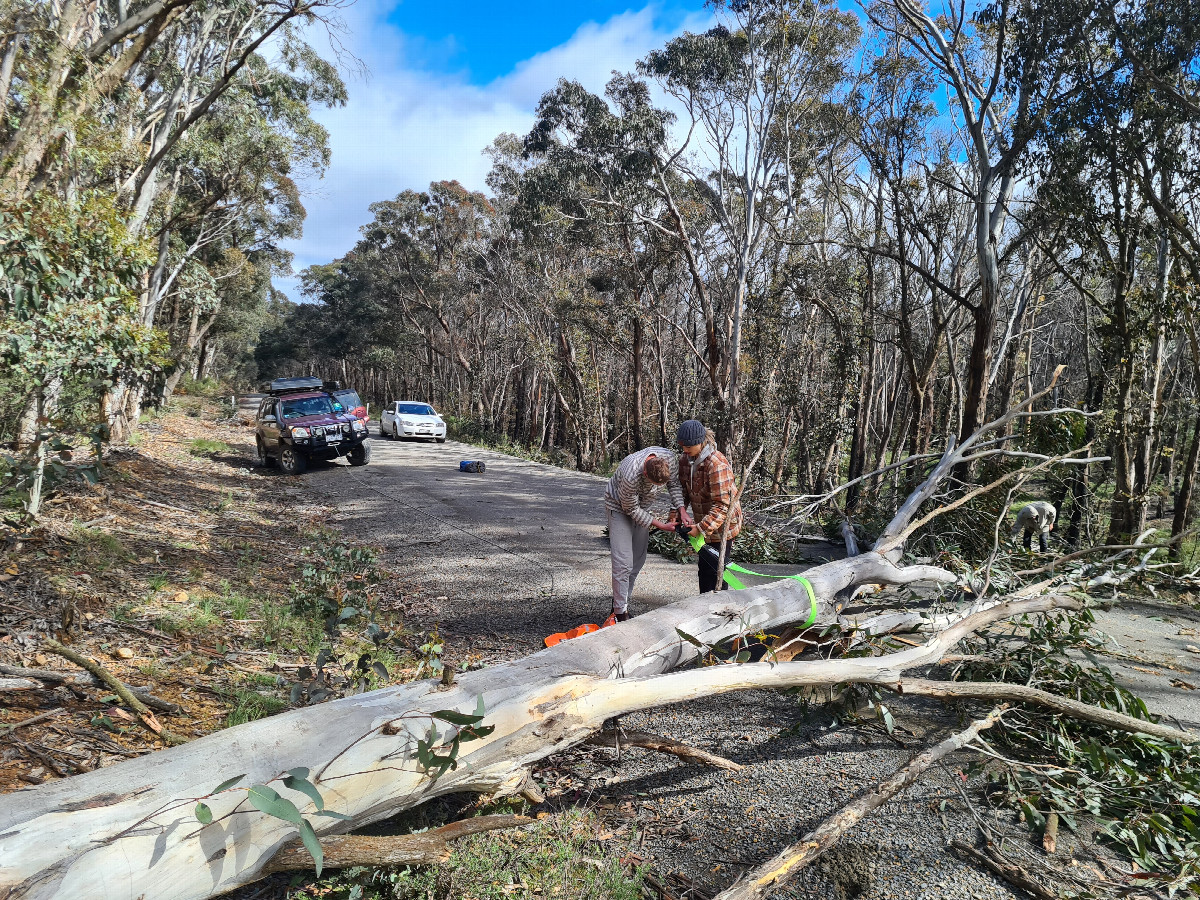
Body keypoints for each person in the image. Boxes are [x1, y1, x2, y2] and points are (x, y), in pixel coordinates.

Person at [604, 447, 690, 621]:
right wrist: (661, 525)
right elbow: (631, 508)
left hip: (643, 508)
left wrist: (681, 510)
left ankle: (620, 602)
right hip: (619, 508)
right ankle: (620, 615)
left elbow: (674, 485)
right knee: (623, 563)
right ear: (645, 472)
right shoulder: (630, 474)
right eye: (653, 484)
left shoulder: (669, 459)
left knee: (637, 560)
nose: (655, 489)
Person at [676, 419, 742, 593]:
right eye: (682, 445)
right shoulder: (685, 460)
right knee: (704, 569)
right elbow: (682, 491)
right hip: (702, 521)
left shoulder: (716, 464)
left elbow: (723, 505)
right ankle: (703, 607)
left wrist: (701, 528)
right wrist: (676, 515)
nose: (685, 449)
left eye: (689, 445)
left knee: (717, 570)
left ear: (701, 441)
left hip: (723, 526)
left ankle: (721, 611)